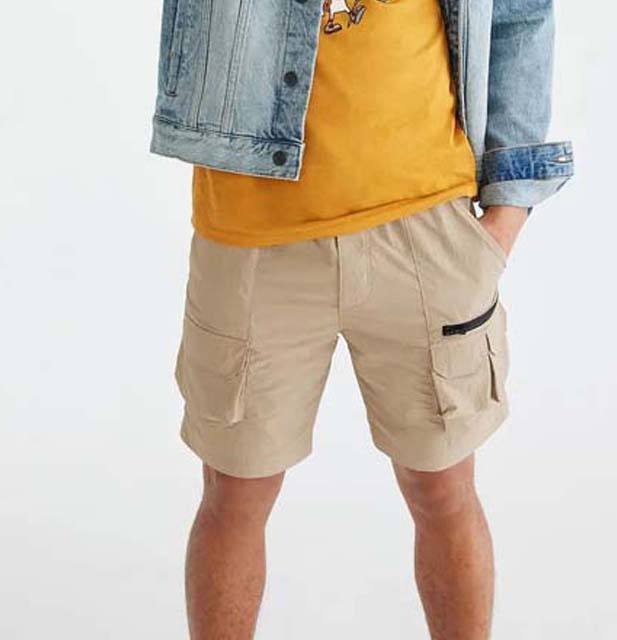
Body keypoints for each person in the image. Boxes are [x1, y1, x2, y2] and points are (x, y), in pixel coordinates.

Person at [150, 0, 573, 637]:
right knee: (235, 494)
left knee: (443, 488)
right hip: (253, 236)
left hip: (428, 227)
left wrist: (506, 216)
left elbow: (518, 15)